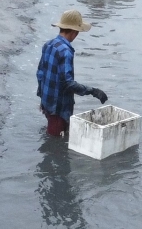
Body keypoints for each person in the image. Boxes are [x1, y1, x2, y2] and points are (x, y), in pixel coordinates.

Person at [36, 9, 108, 137]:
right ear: (75, 32)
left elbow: (40, 73)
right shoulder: (66, 52)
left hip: (47, 103)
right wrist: (93, 91)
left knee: (52, 132)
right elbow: (67, 83)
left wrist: (43, 99)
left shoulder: (48, 45)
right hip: (59, 108)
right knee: (56, 141)